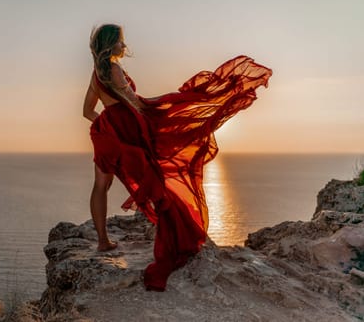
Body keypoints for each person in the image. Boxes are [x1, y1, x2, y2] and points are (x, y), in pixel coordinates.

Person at [82, 23, 272, 291]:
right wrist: (173, 103)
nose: (125, 47)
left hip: (105, 134)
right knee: (156, 181)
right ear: (112, 44)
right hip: (128, 132)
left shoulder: (95, 75)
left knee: (101, 185)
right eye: (121, 42)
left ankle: (103, 241)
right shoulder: (114, 69)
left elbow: (87, 111)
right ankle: (174, 234)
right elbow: (135, 104)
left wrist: (105, 126)